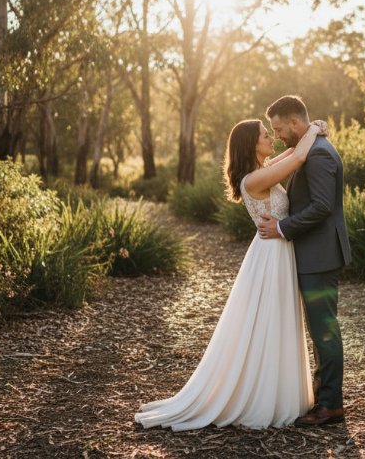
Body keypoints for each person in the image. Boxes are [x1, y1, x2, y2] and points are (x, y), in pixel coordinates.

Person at [134, 117, 324, 431]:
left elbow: (290, 156)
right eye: (266, 135)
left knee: (275, 320)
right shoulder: (253, 180)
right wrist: (315, 130)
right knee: (268, 321)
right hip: (271, 255)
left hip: (276, 250)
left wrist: (308, 128)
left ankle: (279, 389)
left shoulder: (261, 170)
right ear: (251, 144)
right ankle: (264, 395)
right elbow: (300, 157)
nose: (271, 139)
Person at [257, 94, 351, 427]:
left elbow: (323, 207)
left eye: (280, 128)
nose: (279, 135)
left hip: (320, 256)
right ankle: (323, 393)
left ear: (296, 123)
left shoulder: (320, 154)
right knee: (319, 329)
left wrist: (282, 227)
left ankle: (331, 405)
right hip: (313, 254)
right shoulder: (309, 149)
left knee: (325, 331)